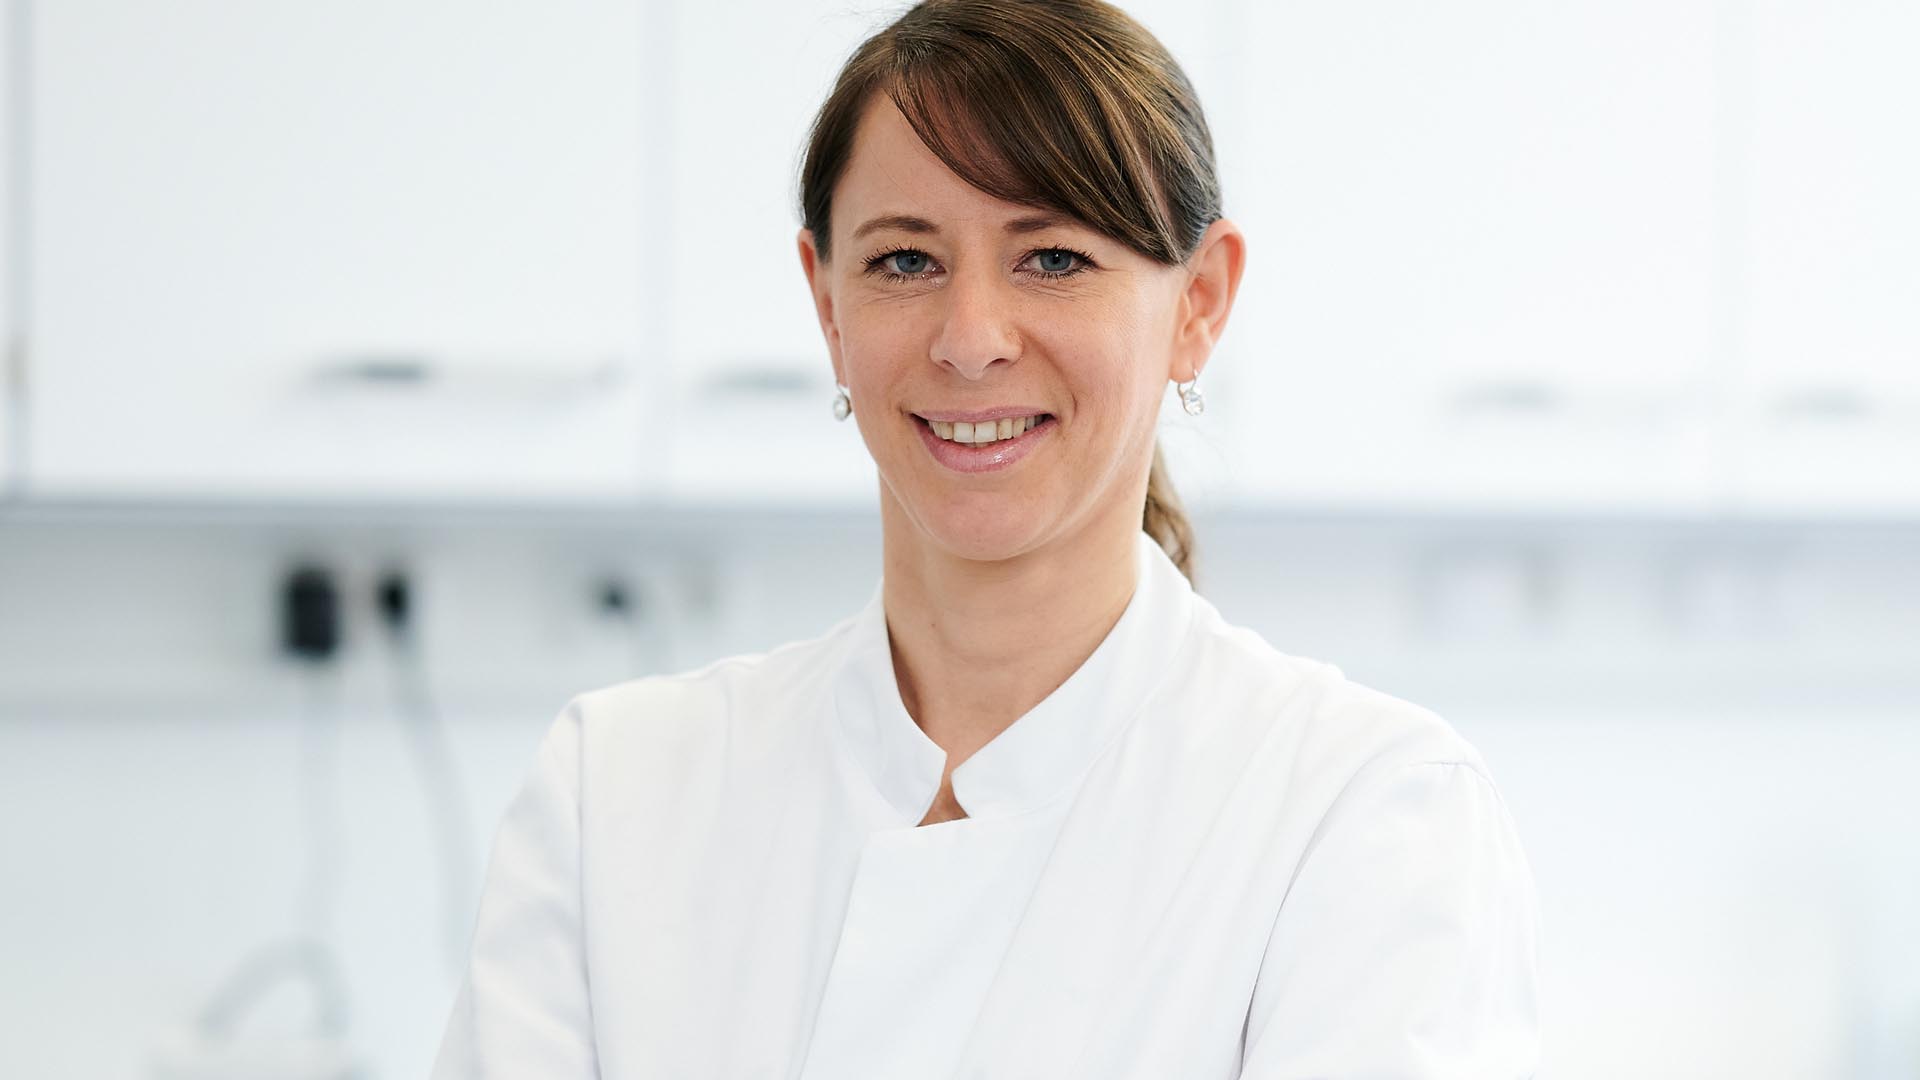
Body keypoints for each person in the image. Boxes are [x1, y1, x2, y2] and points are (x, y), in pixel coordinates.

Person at [430, 0, 1541, 1075]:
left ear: (1198, 303)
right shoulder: (617, 793)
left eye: (1052, 258)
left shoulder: (1361, 816)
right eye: (904, 261)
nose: (970, 339)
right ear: (828, 306)